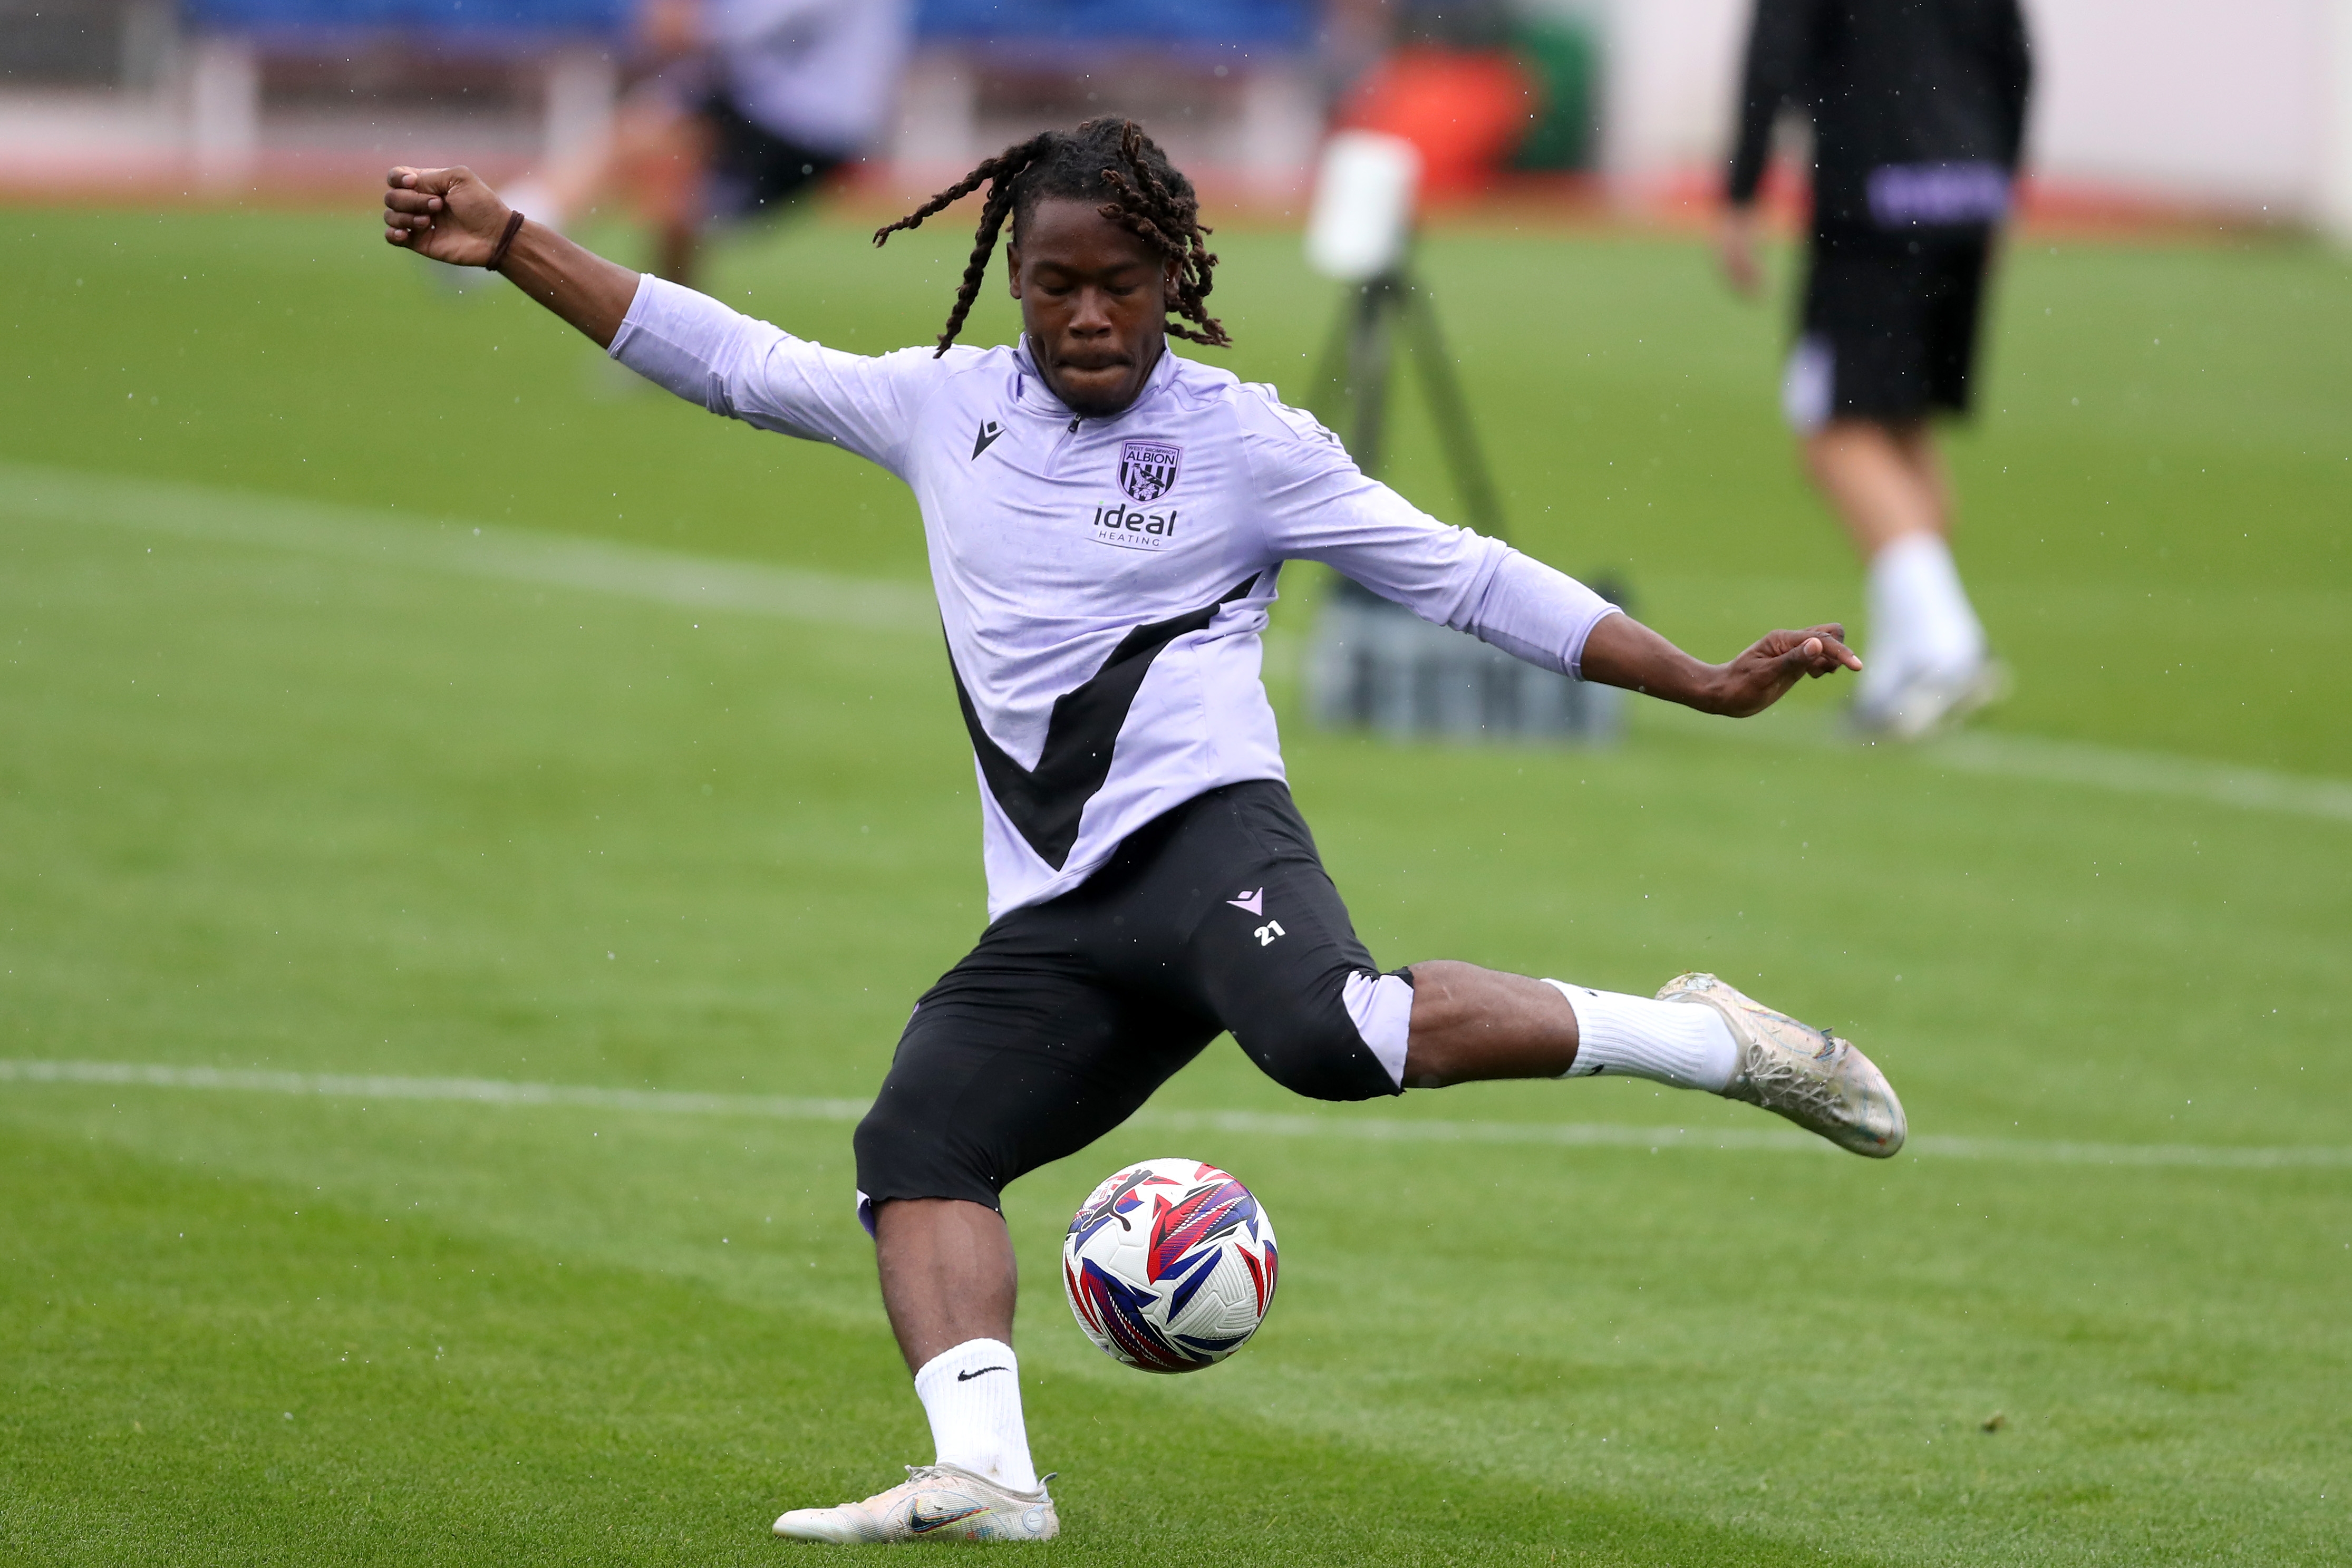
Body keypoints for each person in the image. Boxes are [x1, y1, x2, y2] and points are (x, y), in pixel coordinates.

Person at [383, 117, 1906, 1545]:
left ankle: (1714, 1039)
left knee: (1332, 1037)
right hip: (1054, 908)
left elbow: (1462, 574)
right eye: (1054, 284)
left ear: (1172, 277)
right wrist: (515, 238)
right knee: (916, 1143)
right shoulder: (946, 406)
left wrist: (1698, 678)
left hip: (1202, 835)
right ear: (1017, 281)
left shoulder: (1244, 441)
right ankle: (987, 1467)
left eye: (1119, 283)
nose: (1087, 316)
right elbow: (731, 359)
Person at [1718, 0, 2031, 739]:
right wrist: (1999, 181)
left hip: (1875, 202)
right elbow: (2015, 61)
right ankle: (1899, 670)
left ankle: (1947, 642)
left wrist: (1739, 192)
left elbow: (1772, 58)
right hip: (1965, 192)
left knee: (1832, 431)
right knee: (1901, 428)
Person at [521, 0, 912, 286]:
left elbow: (760, 23)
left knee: (648, 139)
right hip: (793, 118)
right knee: (670, 180)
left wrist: (694, 23)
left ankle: (514, 230)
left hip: (795, 120)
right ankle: (670, 338)